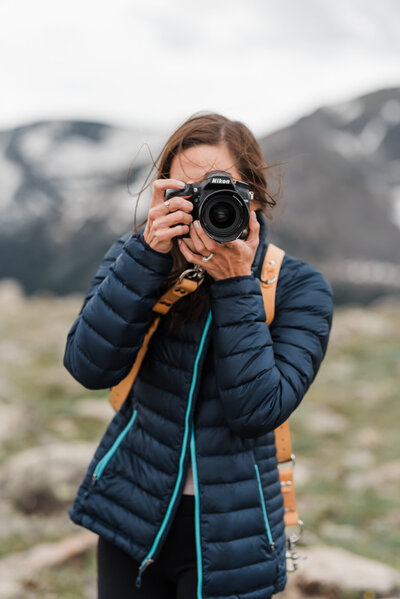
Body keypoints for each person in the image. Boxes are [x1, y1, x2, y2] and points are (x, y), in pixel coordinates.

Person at [64, 112, 334, 599]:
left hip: (236, 535)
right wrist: (147, 258)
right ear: (165, 192)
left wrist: (236, 283)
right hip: (132, 508)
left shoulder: (299, 288)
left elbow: (258, 411)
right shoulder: (138, 257)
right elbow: (88, 367)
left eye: (220, 188)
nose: (205, 204)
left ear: (251, 194)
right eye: (186, 191)